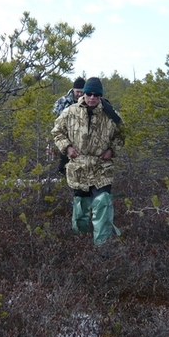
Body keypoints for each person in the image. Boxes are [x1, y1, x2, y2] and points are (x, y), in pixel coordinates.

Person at [52, 77, 125, 246]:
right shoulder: (70, 112)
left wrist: (111, 150)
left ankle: (102, 248)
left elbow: (122, 134)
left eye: (96, 94)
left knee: (102, 205)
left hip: (101, 167)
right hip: (78, 168)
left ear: (100, 96)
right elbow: (57, 132)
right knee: (81, 210)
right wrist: (67, 148)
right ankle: (80, 245)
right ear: (83, 94)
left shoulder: (111, 114)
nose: (92, 97)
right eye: (89, 94)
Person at [52, 77, 85, 174]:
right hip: (64, 138)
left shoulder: (88, 102)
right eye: (77, 91)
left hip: (82, 140)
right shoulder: (62, 101)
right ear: (73, 89)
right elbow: (53, 119)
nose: (79, 94)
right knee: (62, 165)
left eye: (81, 92)